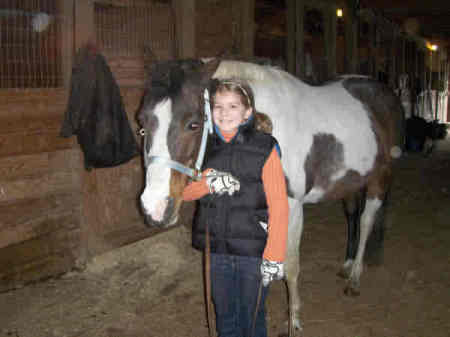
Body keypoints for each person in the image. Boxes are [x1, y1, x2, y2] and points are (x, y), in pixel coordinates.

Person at [182, 78, 289, 337]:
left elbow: (279, 205)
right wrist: (208, 183)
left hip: (253, 252)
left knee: (251, 317)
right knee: (225, 316)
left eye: (233, 106)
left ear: (247, 112)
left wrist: (275, 255)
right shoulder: (202, 146)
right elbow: (183, 192)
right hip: (216, 250)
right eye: (218, 107)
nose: (224, 113)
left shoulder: (265, 147)